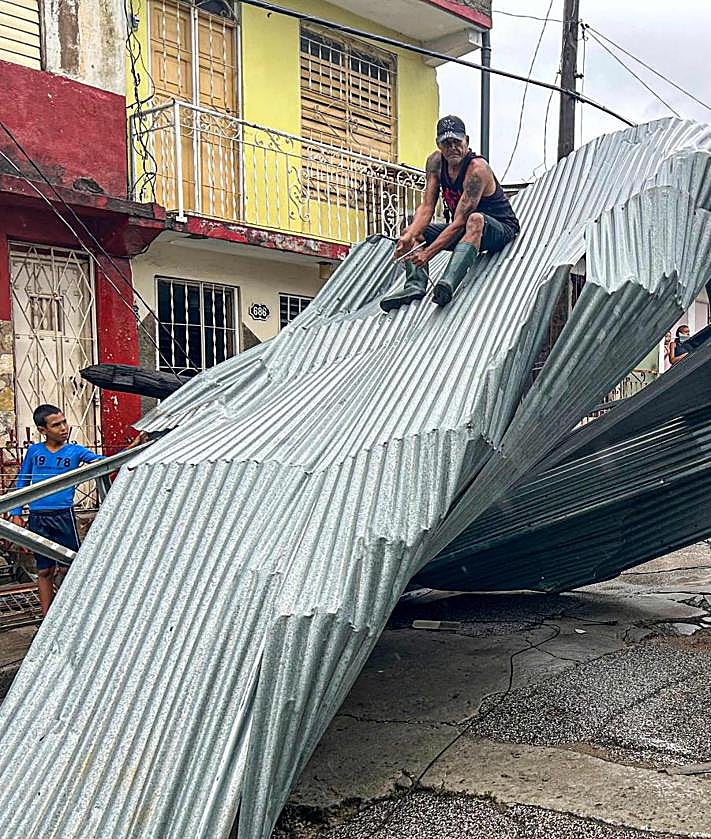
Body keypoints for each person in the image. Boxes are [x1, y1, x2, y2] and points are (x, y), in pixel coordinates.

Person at [8, 404, 144, 616]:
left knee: (67, 566)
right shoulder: (34, 452)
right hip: (38, 517)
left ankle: (67, 615)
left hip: (64, 516)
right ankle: (46, 618)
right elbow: (22, 482)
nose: (64, 428)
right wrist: (16, 513)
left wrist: (132, 448)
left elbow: (106, 464)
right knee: (44, 570)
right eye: (56, 425)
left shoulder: (75, 451)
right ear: (43, 430)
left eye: (64, 422)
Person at [381, 115, 520, 312]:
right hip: (465, 230)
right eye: (446, 143)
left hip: (498, 228)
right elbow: (427, 206)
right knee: (413, 228)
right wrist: (408, 237)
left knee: (475, 219)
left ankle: (447, 284)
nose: (452, 147)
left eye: (457, 142)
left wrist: (429, 253)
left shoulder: (477, 170)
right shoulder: (435, 163)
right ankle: (415, 285)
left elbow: (459, 222)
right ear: (439, 144)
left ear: (467, 141)